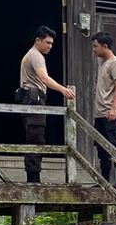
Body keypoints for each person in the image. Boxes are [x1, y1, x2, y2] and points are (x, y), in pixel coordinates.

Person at [18, 26, 75, 184]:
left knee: (36, 137)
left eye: (51, 43)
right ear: (38, 40)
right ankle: (33, 178)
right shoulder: (35, 56)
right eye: (47, 42)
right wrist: (63, 89)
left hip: (32, 97)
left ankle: (34, 176)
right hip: (33, 98)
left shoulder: (33, 55)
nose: (50, 46)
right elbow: (44, 78)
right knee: (35, 137)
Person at [90, 31, 116, 187]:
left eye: (96, 46)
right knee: (101, 147)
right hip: (100, 112)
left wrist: (114, 108)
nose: (94, 49)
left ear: (105, 46)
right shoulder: (104, 64)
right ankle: (104, 179)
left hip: (111, 112)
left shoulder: (115, 63)